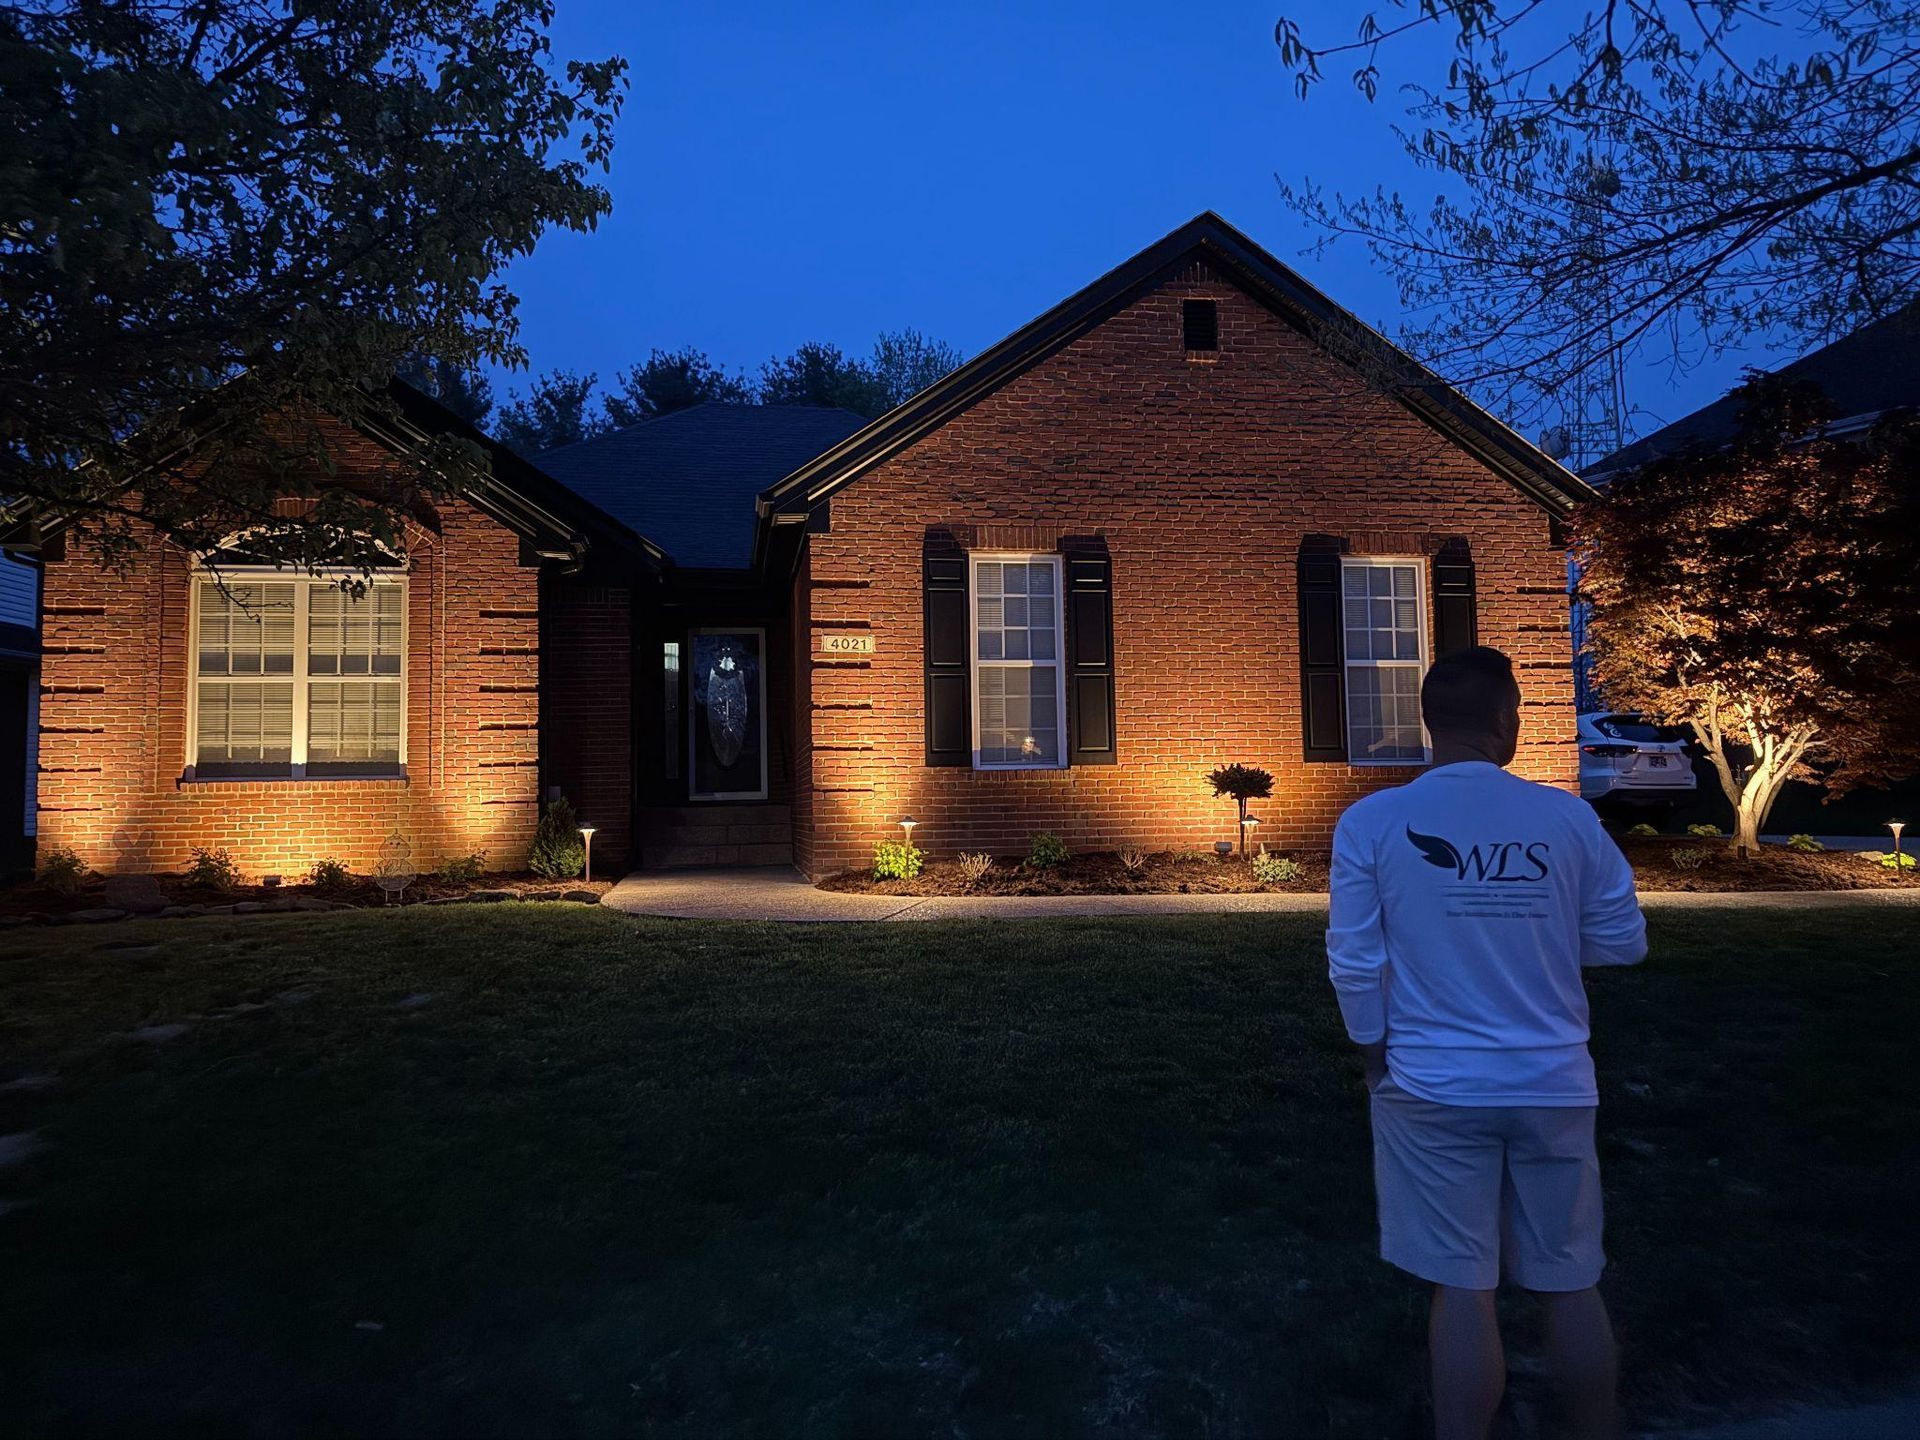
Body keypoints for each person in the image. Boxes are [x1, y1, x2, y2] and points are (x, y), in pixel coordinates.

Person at [1326, 645, 1647, 1440]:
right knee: (1570, 1279)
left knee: (1461, 1286)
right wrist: (1534, 940)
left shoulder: (1372, 822)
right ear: (1509, 722)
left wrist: (1373, 1051)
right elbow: (1622, 941)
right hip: (1553, 1082)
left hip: (1430, 1086)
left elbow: (1356, 957)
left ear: (1428, 721)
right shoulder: (1567, 817)